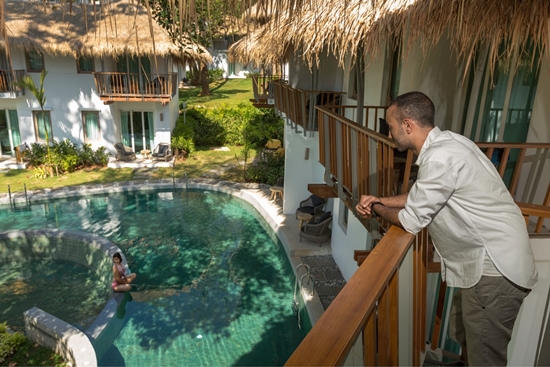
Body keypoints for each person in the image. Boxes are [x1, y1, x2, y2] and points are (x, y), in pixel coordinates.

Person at [355, 91, 537, 366]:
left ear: (407, 125)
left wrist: (375, 210)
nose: (389, 135)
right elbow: (421, 195)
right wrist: (380, 199)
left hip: (494, 270)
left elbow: (411, 220)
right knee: (465, 338)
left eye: (390, 127)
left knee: (485, 359)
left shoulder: (440, 158)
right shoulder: (450, 143)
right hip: (485, 267)